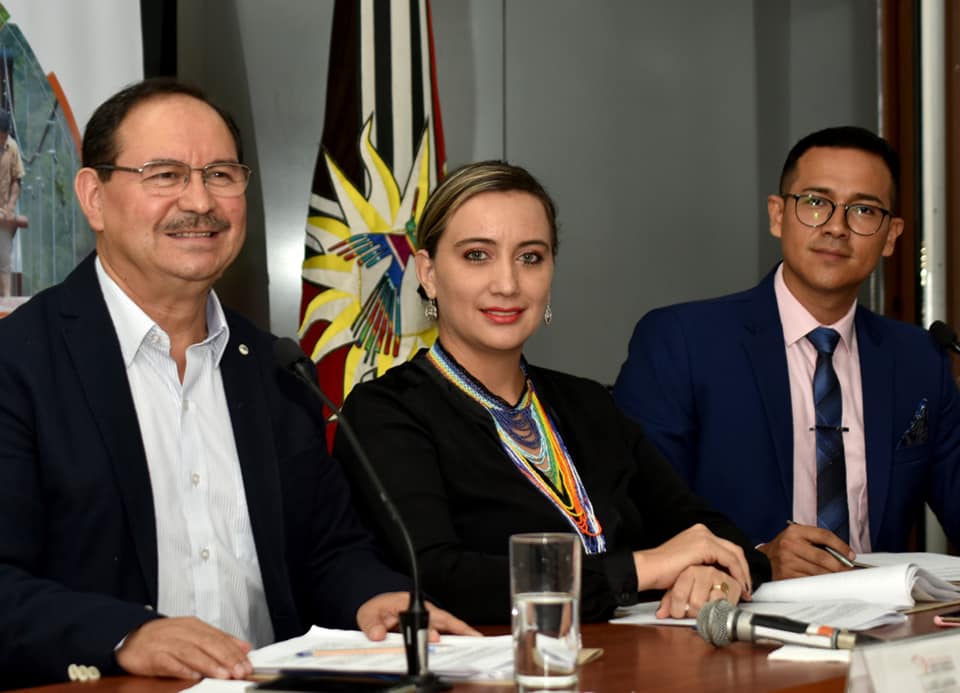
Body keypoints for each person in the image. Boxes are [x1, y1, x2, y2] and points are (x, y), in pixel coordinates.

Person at [0, 78, 474, 690]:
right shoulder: (19, 364)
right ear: (94, 197)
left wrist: (373, 598)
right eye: (165, 175)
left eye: (221, 175)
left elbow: (327, 550)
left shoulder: (275, 367)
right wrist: (127, 635)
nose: (200, 201)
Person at [333, 161, 771, 626]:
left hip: (624, 656)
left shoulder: (589, 404)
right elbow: (440, 577)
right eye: (477, 255)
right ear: (429, 273)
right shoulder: (384, 412)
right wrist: (641, 569)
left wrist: (712, 574)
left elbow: (712, 533)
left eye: (530, 257)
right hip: (490, 662)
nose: (507, 284)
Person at [613, 126, 960, 580]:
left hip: (881, 614)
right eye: (815, 202)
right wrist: (758, 558)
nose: (836, 227)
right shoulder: (681, 341)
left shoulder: (920, 359)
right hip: (735, 612)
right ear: (778, 215)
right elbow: (636, 518)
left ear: (891, 236)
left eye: (863, 210)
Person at [0, 110, 26, 297]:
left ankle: (6, 301)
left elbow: (17, 180)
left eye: (5, 136)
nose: (3, 140)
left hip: (4, 213)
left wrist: (10, 207)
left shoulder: (12, 148)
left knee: (4, 258)